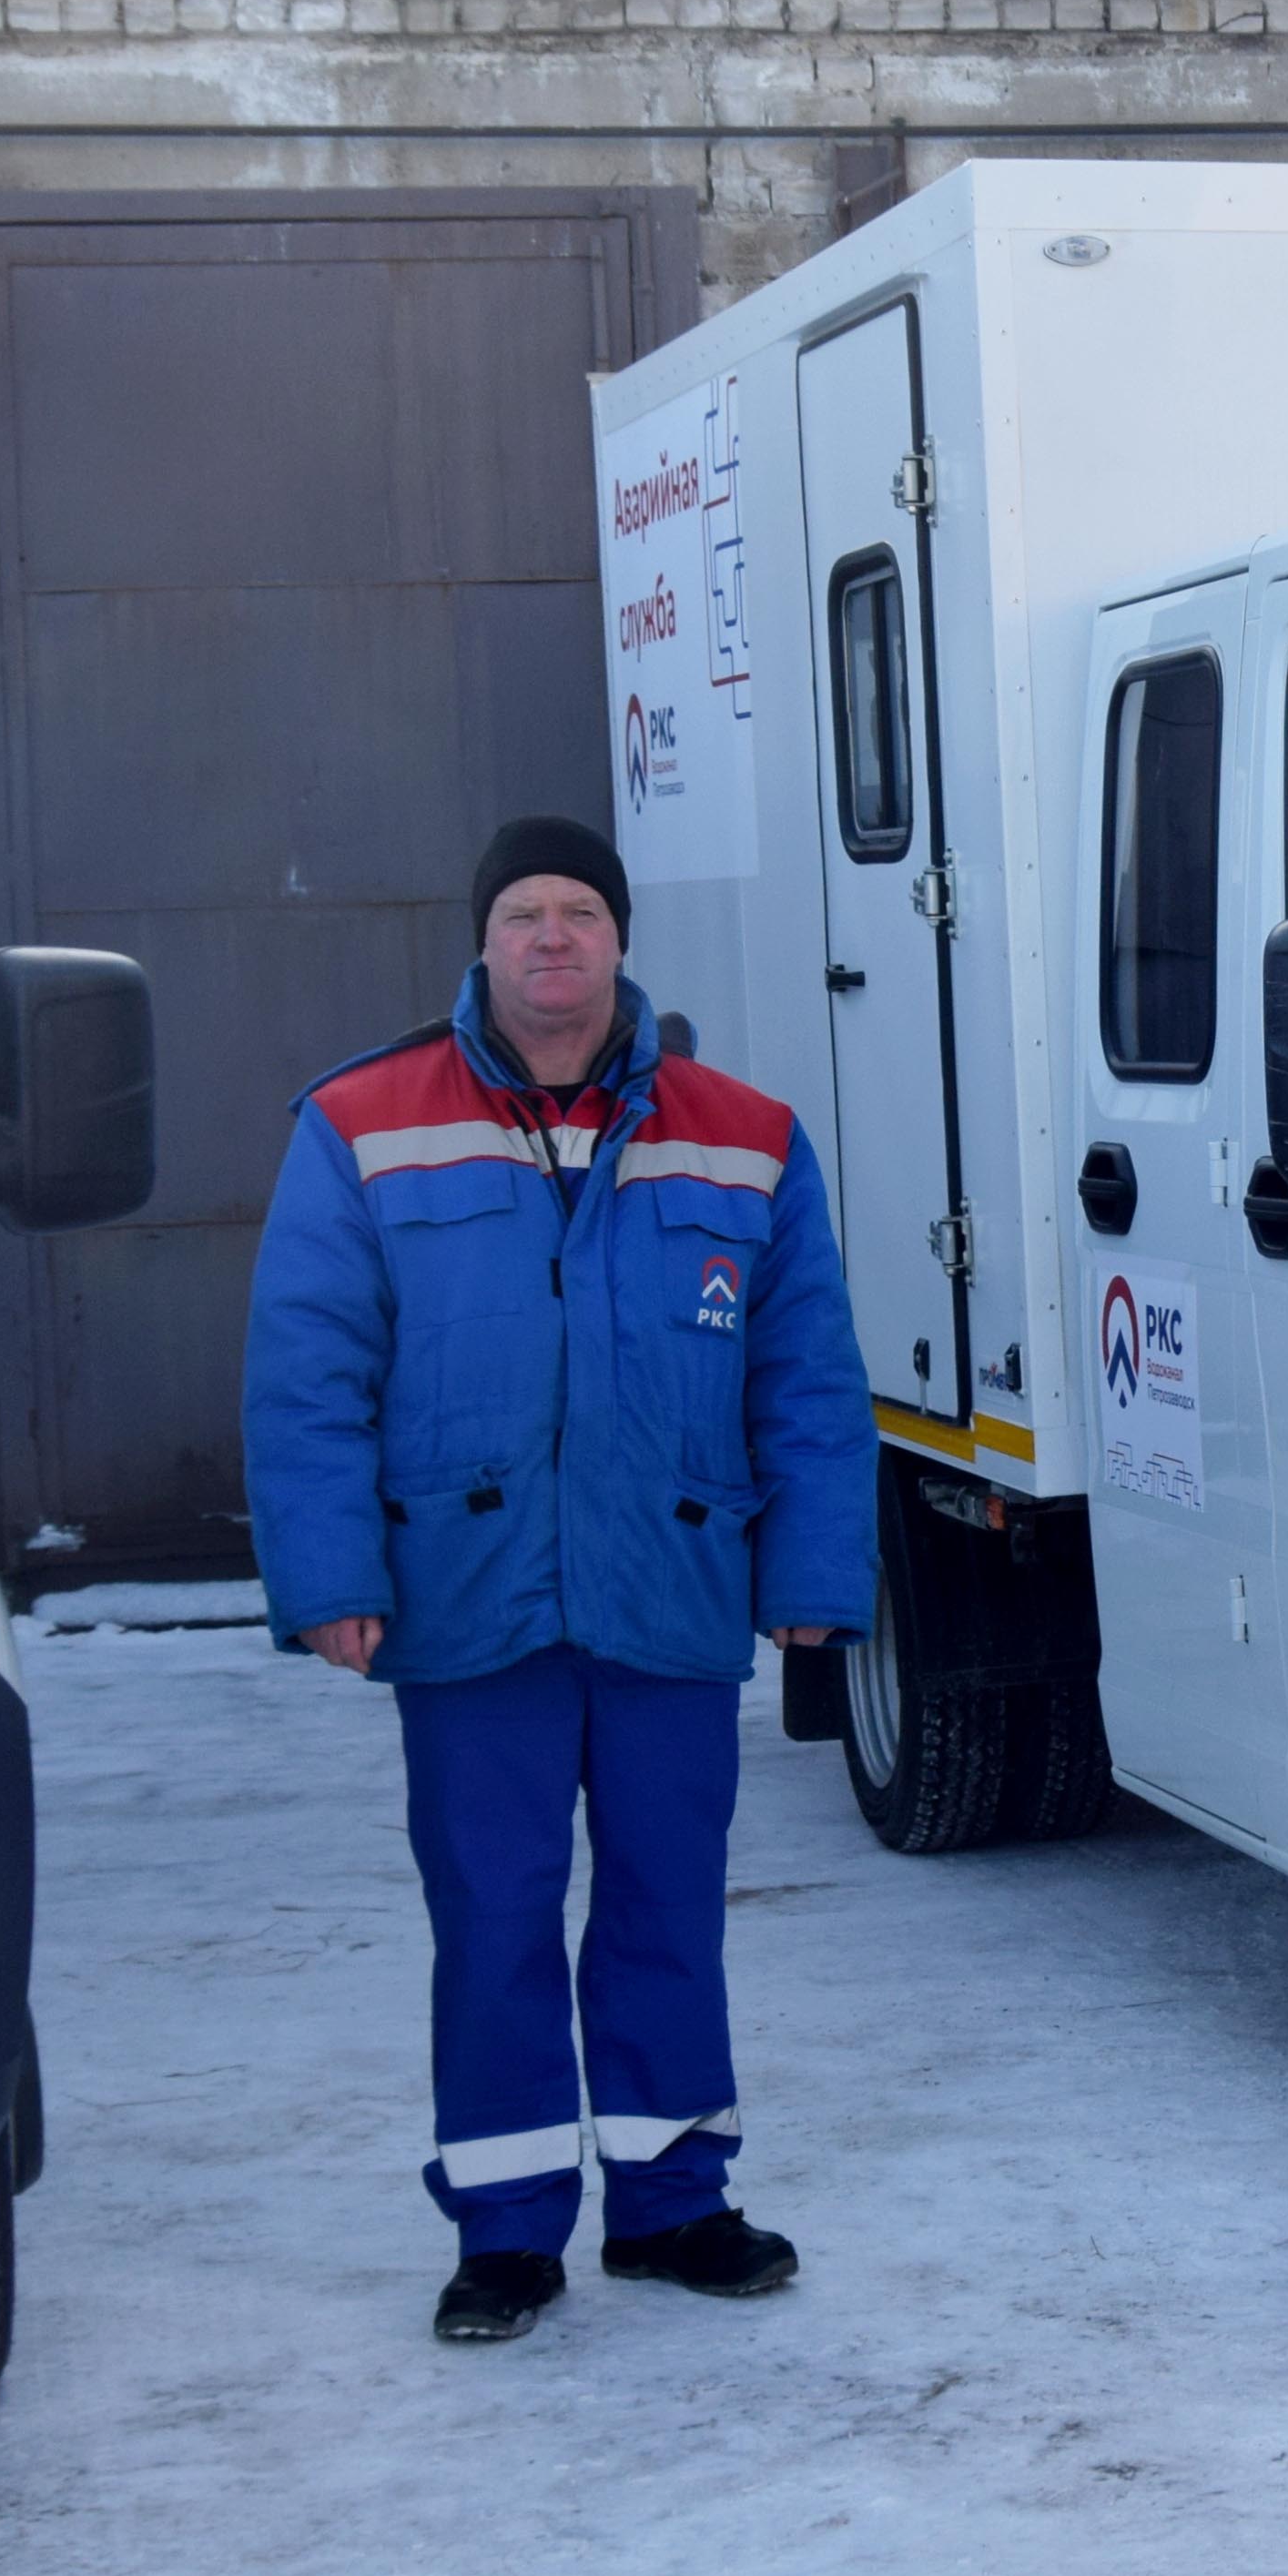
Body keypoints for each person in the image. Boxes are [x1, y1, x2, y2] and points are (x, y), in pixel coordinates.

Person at [243, 815, 873, 2338]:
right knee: (497, 1910)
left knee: (670, 1906)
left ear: (620, 940)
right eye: (522, 911)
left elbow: (808, 1382)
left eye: (579, 911)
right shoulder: (359, 1121)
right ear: (481, 938)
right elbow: (307, 1372)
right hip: (472, 1602)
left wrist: (815, 1576)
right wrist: (329, 1571)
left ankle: (673, 2203)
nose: (551, 939)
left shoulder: (748, 1135)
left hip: (667, 1590)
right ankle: (508, 2230)